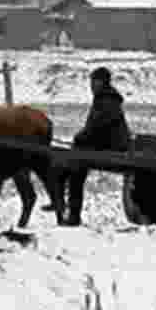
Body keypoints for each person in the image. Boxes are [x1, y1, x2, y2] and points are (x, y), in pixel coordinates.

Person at [43, 66, 131, 226]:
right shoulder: (105, 98)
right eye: (91, 82)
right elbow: (96, 128)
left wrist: (80, 138)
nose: (91, 85)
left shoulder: (107, 100)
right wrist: (82, 139)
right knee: (66, 168)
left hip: (112, 148)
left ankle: (71, 214)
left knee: (75, 172)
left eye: (94, 82)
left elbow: (97, 128)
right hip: (106, 146)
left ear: (103, 82)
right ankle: (60, 202)